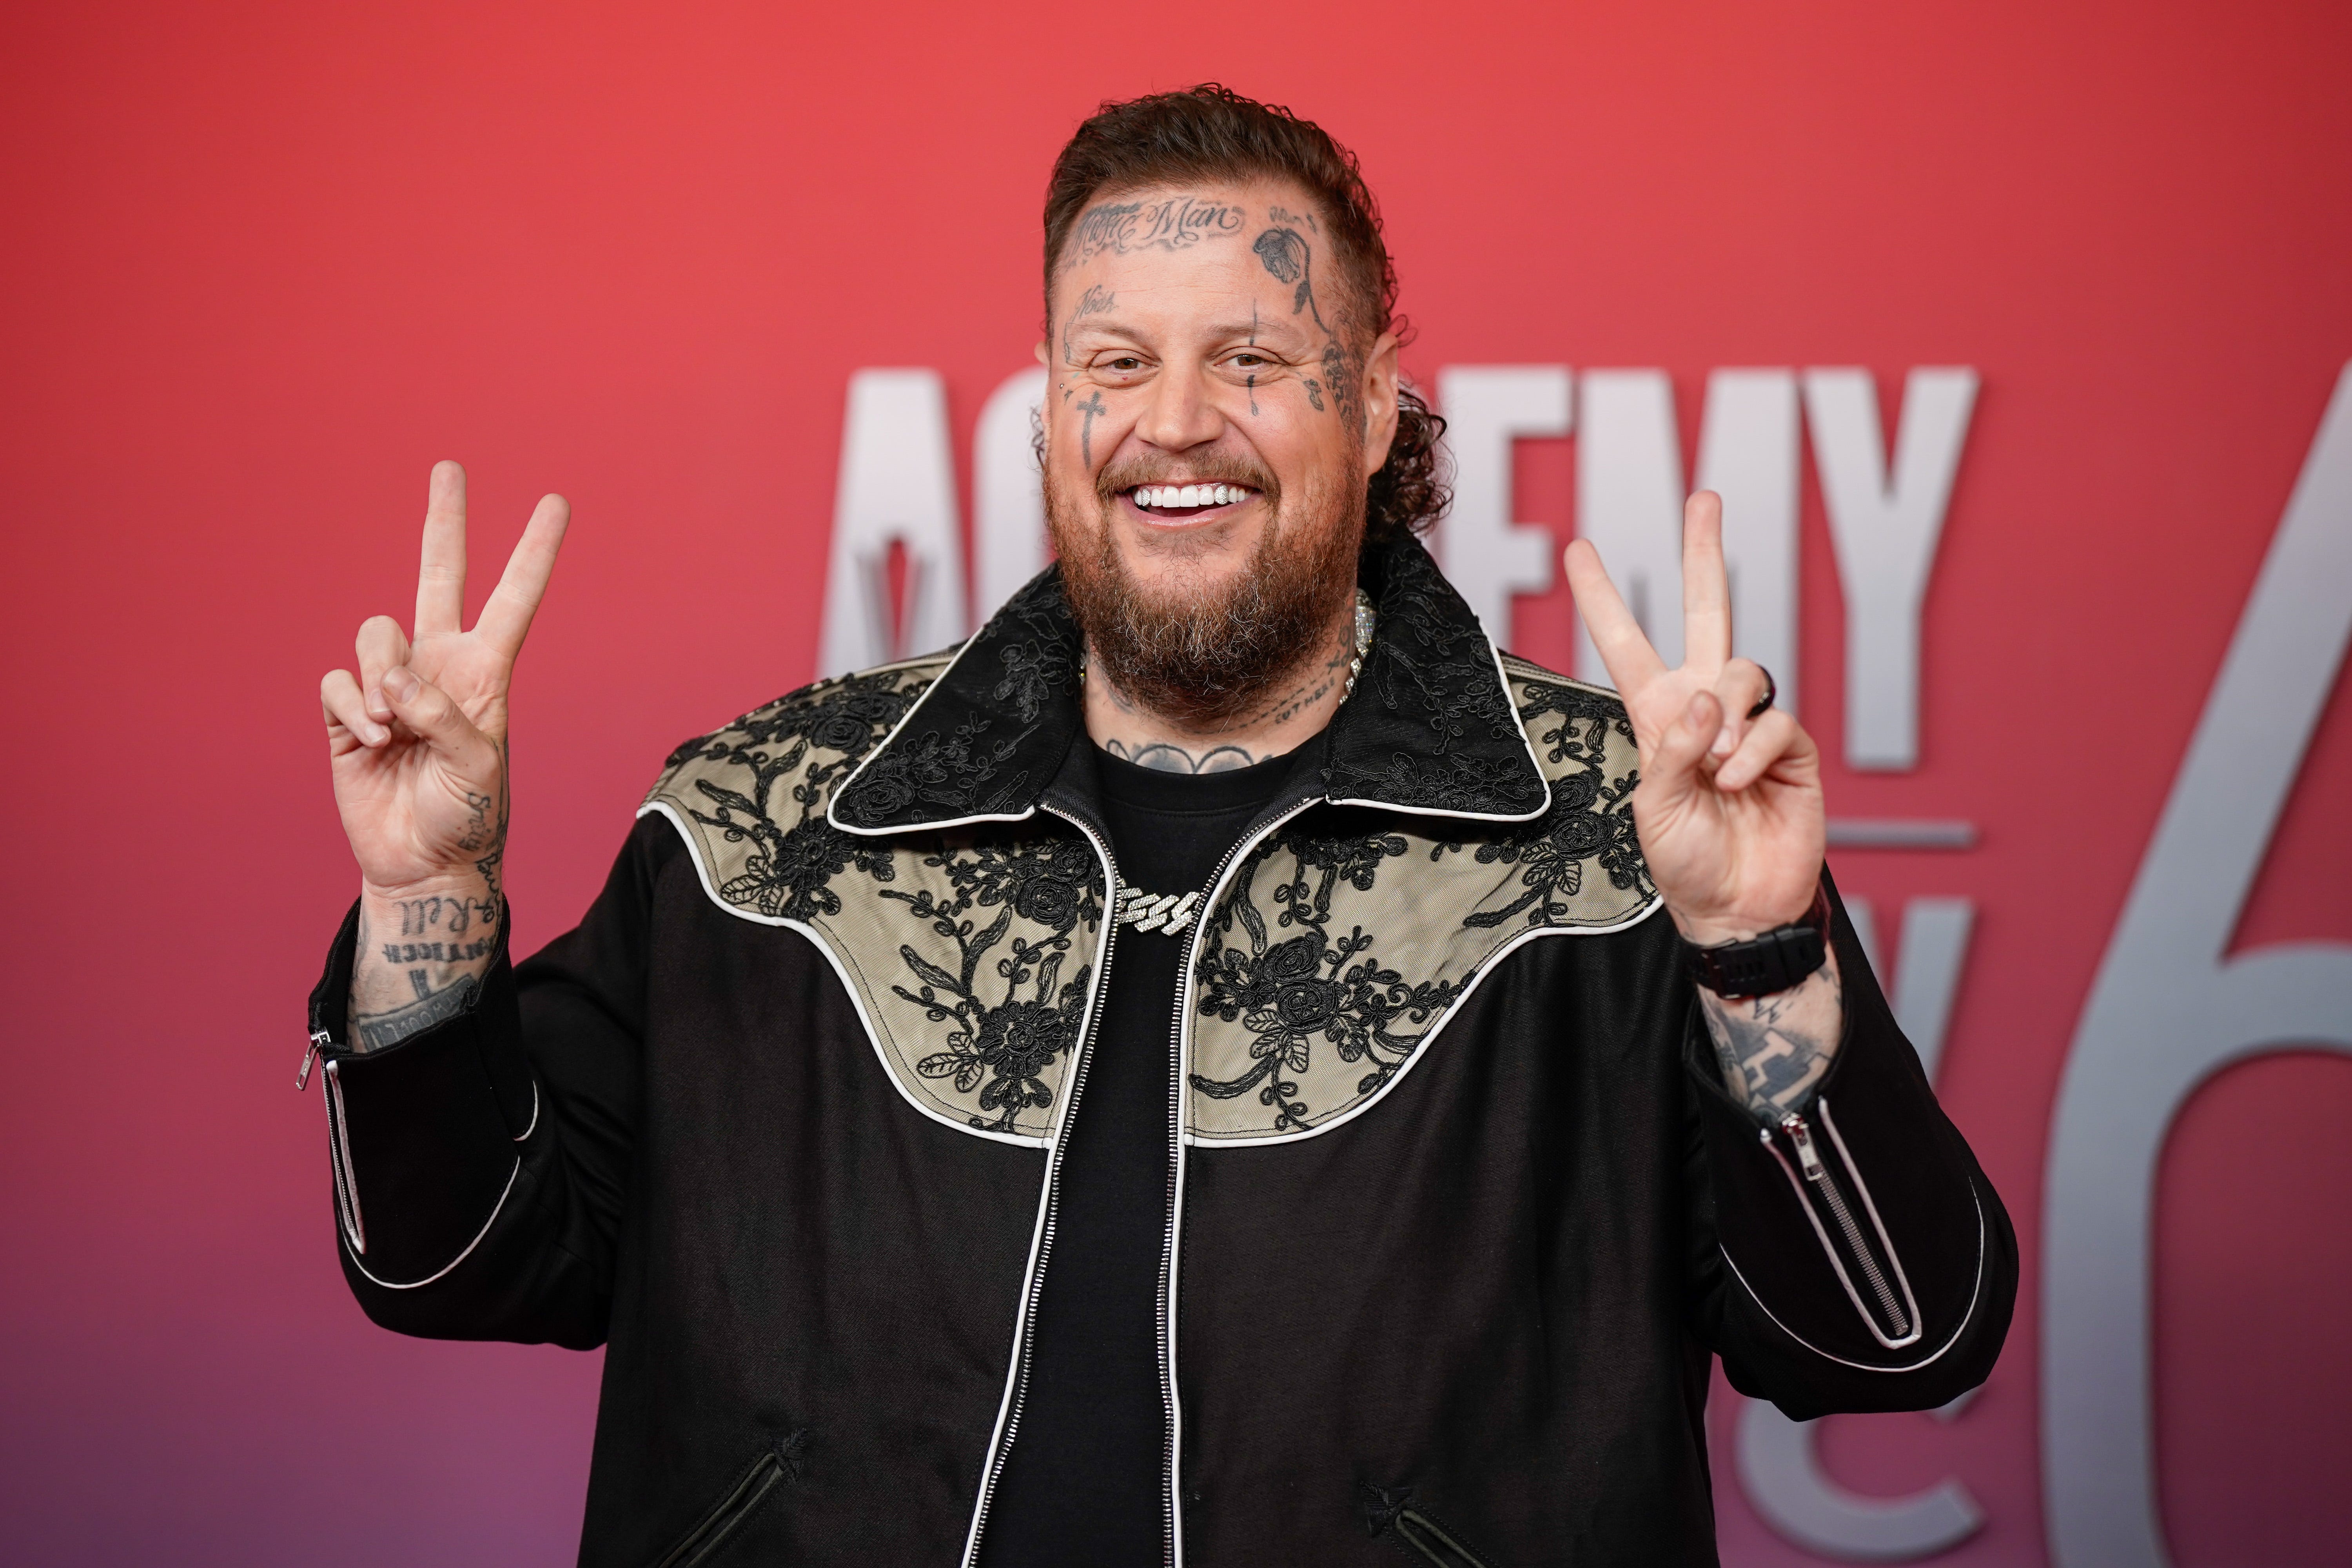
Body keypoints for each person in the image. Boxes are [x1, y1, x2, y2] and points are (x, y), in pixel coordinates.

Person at [308, 85, 2013, 1568]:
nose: (1173, 421)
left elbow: (1893, 1336)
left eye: (1253, 359)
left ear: (1370, 399)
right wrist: (425, 894)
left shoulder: (1612, 845)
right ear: (1049, 399)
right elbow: (453, 1255)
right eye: (1114, 360)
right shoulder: (765, 827)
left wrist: (1755, 949)